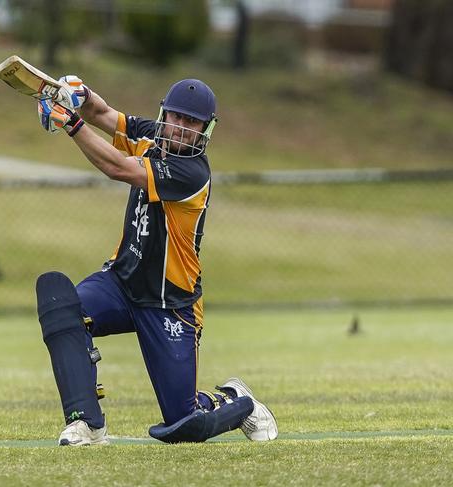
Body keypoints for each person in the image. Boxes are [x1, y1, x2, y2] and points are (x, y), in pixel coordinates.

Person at [35, 75, 278, 445]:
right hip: (120, 283)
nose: (181, 128)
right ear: (165, 114)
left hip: (170, 304)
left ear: (205, 131)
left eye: (192, 123)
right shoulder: (151, 133)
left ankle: (237, 401)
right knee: (60, 303)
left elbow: (120, 168)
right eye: (176, 118)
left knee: (184, 422)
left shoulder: (192, 173)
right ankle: (87, 422)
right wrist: (77, 94)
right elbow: (102, 113)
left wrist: (70, 122)